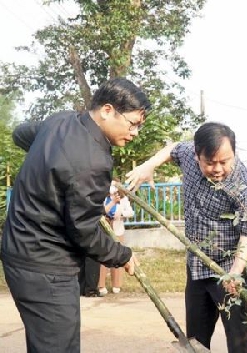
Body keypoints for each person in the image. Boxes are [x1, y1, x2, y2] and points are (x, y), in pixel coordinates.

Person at [1, 77, 149, 353]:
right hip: (47, 268)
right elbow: (84, 230)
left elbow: (21, 133)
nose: (136, 132)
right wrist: (122, 255)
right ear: (107, 110)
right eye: (133, 123)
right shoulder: (93, 161)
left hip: (18, 254)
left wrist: (49, 162)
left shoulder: (61, 121)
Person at [125, 122, 247, 353]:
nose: (218, 169)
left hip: (229, 267)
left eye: (225, 161)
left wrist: (235, 273)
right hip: (197, 265)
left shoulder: (244, 186)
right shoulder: (188, 155)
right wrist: (149, 165)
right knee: (195, 339)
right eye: (210, 162)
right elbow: (174, 148)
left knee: (238, 338)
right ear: (197, 156)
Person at [98, 181, 135, 296]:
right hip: (104, 230)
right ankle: (101, 285)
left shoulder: (123, 199)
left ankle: (116, 284)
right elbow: (100, 211)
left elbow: (130, 212)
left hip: (118, 230)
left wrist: (121, 214)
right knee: (103, 257)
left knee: (118, 256)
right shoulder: (103, 198)